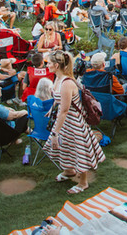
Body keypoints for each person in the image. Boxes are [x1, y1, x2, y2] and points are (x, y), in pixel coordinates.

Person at [43, 51, 105, 194]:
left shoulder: (67, 83)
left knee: (78, 150)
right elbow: (58, 99)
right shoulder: (57, 78)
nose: (47, 65)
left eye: (49, 63)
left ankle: (83, 183)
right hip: (63, 120)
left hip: (73, 121)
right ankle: (69, 171)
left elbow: (65, 110)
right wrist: (52, 108)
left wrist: (55, 133)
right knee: (65, 147)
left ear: (56, 65)